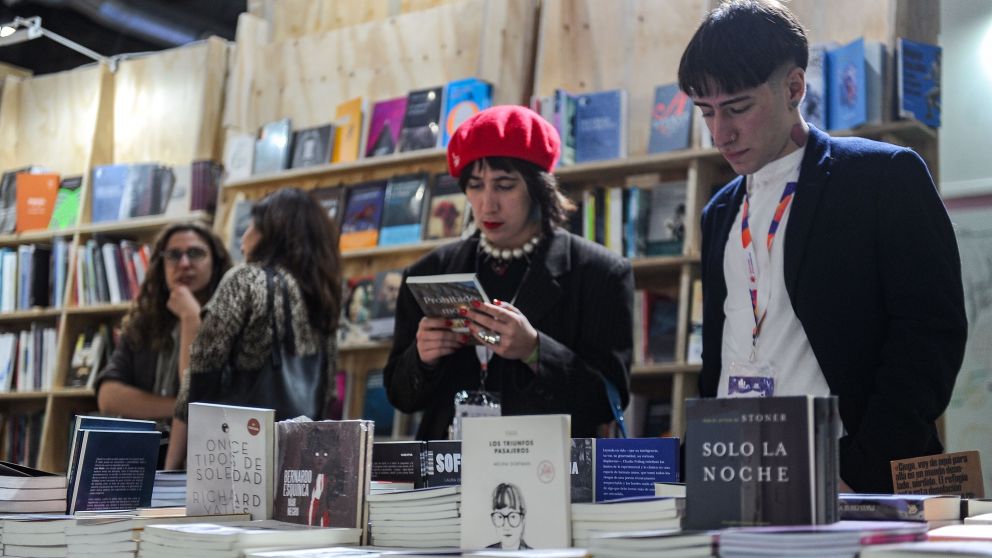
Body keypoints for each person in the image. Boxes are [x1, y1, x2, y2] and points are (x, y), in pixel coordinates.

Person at [679, 0, 967, 492]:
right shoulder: (719, 211)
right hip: (736, 479)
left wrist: (861, 469)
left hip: (848, 482)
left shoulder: (882, 177)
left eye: (738, 108)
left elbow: (929, 336)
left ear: (794, 88)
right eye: (706, 112)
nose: (720, 133)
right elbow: (717, 363)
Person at [384, 105, 633, 440]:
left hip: (547, 462)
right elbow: (400, 397)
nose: (487, 204)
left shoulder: (600, 273)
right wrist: (422, 358)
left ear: (538, 188)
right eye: (475, 185)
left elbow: (607, 402)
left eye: (504, 185)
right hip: (450, 463)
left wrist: (535, 350)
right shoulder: (428, 272)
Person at [167, 187, 342, 468]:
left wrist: (172, 466)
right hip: (297, 459)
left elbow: (199, 377)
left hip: (236, 459)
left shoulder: (246, 279)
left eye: (251, 226)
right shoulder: (322, 295)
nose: (243, 237)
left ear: (269, 233)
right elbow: (328, 390)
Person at [94, 222, 231, 466]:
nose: (184, 263)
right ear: (161, 266)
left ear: (216, 262)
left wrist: (191, 319)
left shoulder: (231, 321)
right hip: (142, 457)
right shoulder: (144, 323)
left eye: (195, 253)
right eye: (174, 255)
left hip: (207, 458)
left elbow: (200, 395)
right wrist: (178, 407)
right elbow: (108, 396)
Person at [487, 482, 530, 550]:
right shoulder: (487, 552)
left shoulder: (532, 554)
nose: (506, 526)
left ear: (523, 520)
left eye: (513, 516)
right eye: (500, 517)